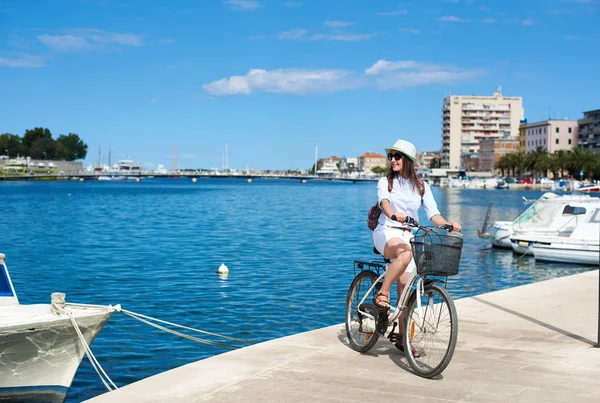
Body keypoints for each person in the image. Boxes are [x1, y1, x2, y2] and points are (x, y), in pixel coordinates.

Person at [372, 139, 462, 352]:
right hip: (387, 232)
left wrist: (448, 224)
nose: (393, 160)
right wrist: (393, 214)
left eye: (398, 156)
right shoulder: (385, 182)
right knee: (404, 255)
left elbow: (433, 214)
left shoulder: (421, 187)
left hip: (409, 236)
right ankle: (382, 293)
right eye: (391, 156)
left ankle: (404, 340)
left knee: (405, 290)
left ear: (409, 161)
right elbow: (384, 202)